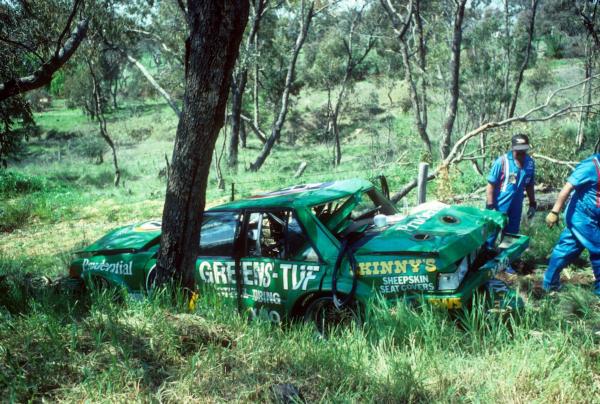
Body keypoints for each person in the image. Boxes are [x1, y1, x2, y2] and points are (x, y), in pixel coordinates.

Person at [543, 154, 600, 296]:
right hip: (582, 217)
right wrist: (554, 212)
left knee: (567, 248)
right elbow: (567, 188)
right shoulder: (591, 165)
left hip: (592, 218)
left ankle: (549, 284)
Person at [486, 133, 537, 243]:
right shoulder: (502, 161)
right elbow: (490, 185)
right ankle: (485, 254)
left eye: (524, 148)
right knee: (491, 233)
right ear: (513, 147)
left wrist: (532, 203)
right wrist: (490, 206)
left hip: (517, 205)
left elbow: (529, 185)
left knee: (511, 234)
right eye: (519, 148)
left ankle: (505, 256)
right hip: (498, 204)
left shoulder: (530, 163)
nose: (521, 152)